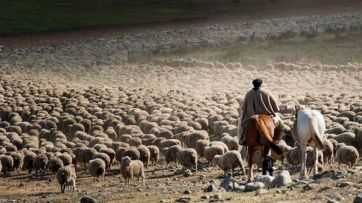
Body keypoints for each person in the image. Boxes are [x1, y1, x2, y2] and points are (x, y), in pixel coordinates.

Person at [238, 78, 280, 145]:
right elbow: (274, 103)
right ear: (261, 84)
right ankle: (278, 139)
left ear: (253, 84)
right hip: (267, 114)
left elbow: (244, 107)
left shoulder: (248, 94)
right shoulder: (266, 92)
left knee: (241, 124)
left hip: (250, 115)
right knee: (280, 124)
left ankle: (242, 139)